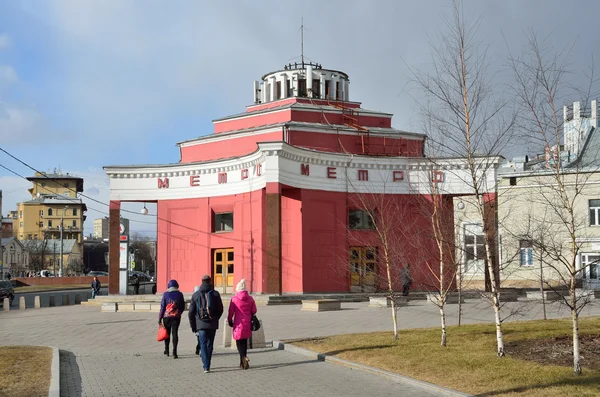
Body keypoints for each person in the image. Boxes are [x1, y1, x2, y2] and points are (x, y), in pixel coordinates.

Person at [188, 275, 223, 373]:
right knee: (210, 344)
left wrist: (193, 326)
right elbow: (220, 309)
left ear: (202, 281)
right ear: (210, 281)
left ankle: (205, 366)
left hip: (200, 324)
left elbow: (191, 312)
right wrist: (215, 318)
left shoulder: (196, 295)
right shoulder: (216, 294)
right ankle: (208, 363)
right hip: (212, 323)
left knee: (202, 344)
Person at [227, 279, 257, 370]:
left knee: (239, 343)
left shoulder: (234, 299)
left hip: (238, 324)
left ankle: (243, 357)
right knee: (244, 343)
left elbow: (231, 312)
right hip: (247, 323)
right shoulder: (250, 298)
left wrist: (229, 320)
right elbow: (254, 310)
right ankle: (243, 362)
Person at [158, 279, 185, 359]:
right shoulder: (180, 294)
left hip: (166, 317)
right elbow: (182, 306)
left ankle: (167, 350)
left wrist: (160, 317)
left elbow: (162, 307)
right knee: (175, 333)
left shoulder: (165, 294)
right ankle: (175, 352)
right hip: (176, 317)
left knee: (167, 334)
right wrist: (179, 313)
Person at [193, 285, 201, 356]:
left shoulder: (194, 299)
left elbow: (191, 313)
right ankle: (199, 348)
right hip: (202, 320)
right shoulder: (203, 297)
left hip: (196, 321)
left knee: (199, 336)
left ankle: (198, 348)